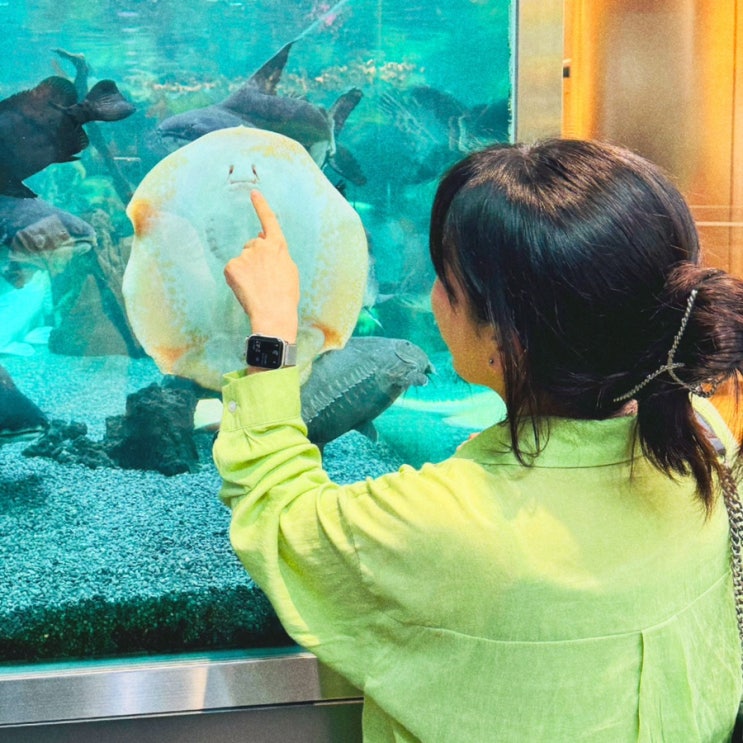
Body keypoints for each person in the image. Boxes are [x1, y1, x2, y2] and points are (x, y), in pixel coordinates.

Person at [213, 139, 743, 742]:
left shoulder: (446, 521)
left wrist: (272, 330)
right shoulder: (702, 440)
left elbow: (277, 510)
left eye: (448, 282)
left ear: (507, 340)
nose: (435, 297)